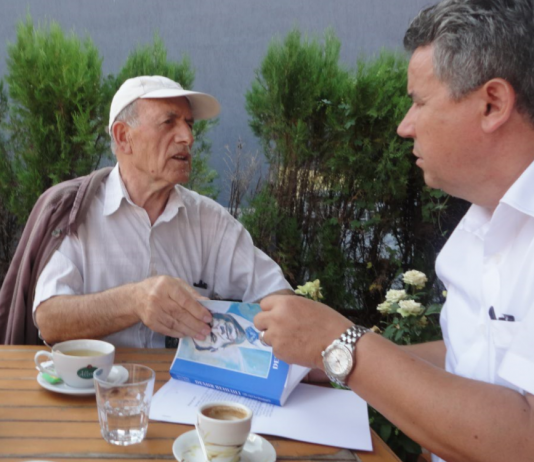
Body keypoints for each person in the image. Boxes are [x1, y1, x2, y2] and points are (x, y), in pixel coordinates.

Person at [254, 1, 534, 461]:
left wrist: (341, 345)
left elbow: (525, 439)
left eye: (420, 102)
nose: (405, 126)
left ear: (493, 104)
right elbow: (468, 358)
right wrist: (331, 361)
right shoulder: (480, 224)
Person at [0, 75, 292, 346]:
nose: (188, 138)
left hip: (181, 383)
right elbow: (50, 319)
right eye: (169, 122)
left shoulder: (208, 220)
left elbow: (279, 296)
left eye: (189, 124)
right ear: (123, 137)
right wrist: (135, 301)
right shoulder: (78, 212)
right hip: (93, 381)